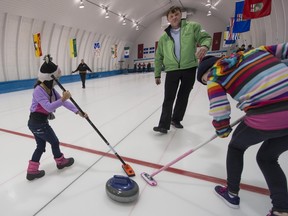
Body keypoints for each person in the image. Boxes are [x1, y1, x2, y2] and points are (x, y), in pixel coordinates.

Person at [196, 43, 288, 216]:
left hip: (266, 115)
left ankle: (231, 193)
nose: (206, 82)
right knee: (267, 158)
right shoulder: (258, 51)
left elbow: (219, 108)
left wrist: (222, 129)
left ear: (206, 72)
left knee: (236, 147)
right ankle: (281, 208)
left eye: (203, 80)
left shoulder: (214, 76)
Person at [26, 54, 88, 181]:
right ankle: (60, 161)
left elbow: (63, 102)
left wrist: (78, 112)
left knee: (40, 146)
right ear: (50, 78)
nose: (57, 81)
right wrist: (64, 98)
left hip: (38, 122)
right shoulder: (38, 90)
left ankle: (31, 171)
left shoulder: (51, 90)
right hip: (37, 123)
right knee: (54, 141)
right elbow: (48, 107)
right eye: (56, 79)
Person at [153, 6, 212, 134]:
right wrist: (157, 74)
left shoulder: (192, 27)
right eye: (171, 16)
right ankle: (163, 125)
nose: (174, 17)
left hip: (189, 68)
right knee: (168, 98)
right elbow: (158, 57)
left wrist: (205, 46)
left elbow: (205, 37)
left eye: (176, 14)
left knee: (183, 96)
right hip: (172, 70)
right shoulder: (164, 38)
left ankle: (176, 119)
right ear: (168, 19)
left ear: (181, 15)